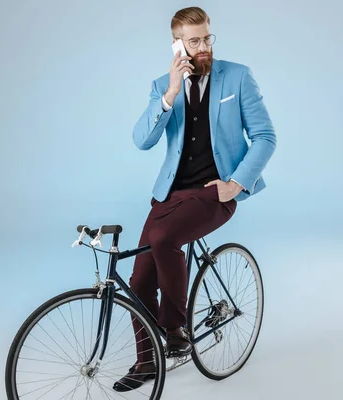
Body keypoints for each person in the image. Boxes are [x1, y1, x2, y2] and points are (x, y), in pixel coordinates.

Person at [113, 6, 277, 392]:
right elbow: (142, 140)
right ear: (177, 46)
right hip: (169, 195)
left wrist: (236, 184)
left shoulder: (237, 76)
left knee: (164, 238)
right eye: (194, 41)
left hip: (213, 193)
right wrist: (170, 94)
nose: (203, 47)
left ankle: (176, 330)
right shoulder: (161, 85)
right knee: (138, 281)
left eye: (207, 38)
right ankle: (147, 360)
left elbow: (266, 137)